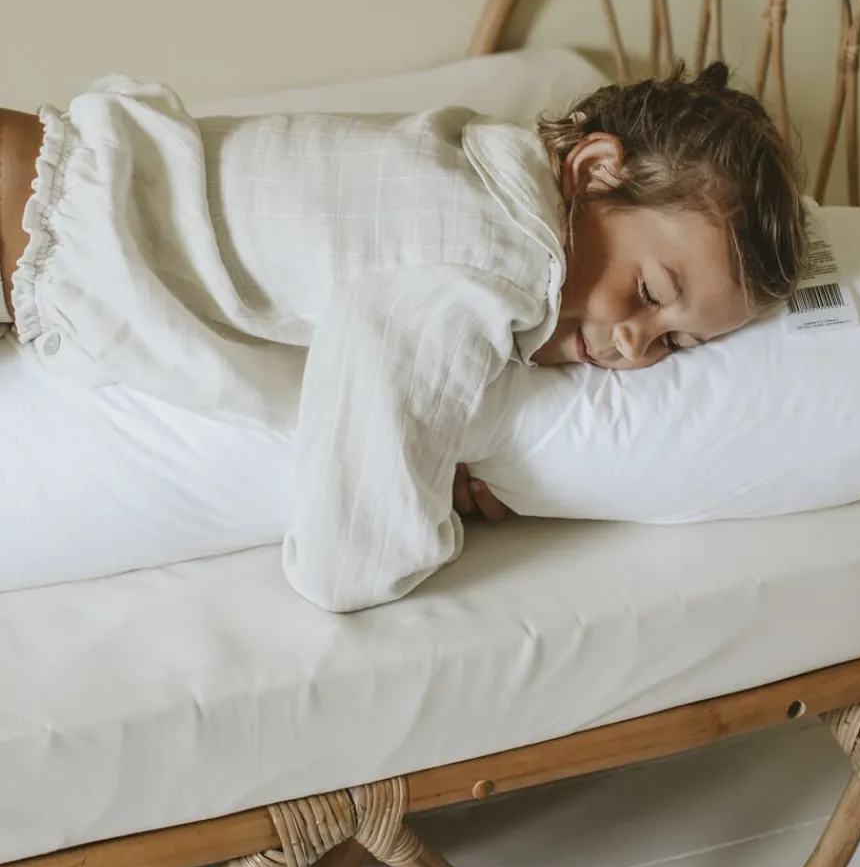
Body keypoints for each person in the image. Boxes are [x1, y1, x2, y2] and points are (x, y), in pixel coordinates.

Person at [0, 62, 806, 612]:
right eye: (650, 293)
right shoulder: (499, 259)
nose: (634, 345)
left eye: (675, 344)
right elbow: (345, 557)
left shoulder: (483, 162)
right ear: (594, 170)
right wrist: (457, 503)